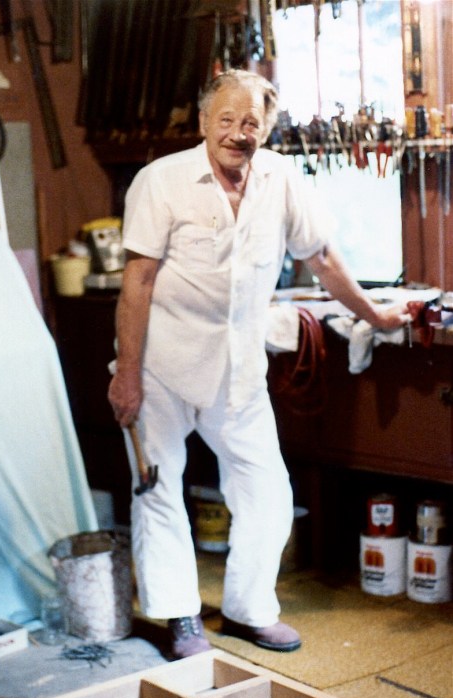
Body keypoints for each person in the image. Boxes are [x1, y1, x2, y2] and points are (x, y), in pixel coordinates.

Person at [108, 70, 410, 660]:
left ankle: (247, 610)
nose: (238, 134)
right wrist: (127, 374)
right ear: (202, 123)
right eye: (226, 120)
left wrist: (375, 315)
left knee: (267, 491)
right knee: (158, 488)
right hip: (161, 367)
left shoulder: (281, 179)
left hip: (237, 368)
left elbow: (321, 258)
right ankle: (179, 616)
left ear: (267, 130)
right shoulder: (160, 181)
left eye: (251, 123)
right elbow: (137, 282)